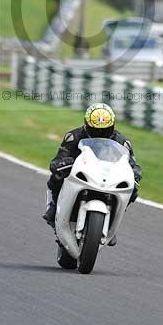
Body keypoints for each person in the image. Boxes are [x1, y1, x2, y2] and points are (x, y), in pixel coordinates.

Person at [43, 103, 142, 245]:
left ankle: (112, 222)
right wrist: (61, 163)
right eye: (95, 130)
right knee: (56, 177)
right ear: (87, 125)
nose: (100, 133)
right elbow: (60, 157)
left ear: (112, 125)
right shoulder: (73, 136)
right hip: (81, 173)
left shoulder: (122, 141)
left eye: (105, 130)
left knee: (133, 189)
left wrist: (135, 171)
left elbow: (131, 162)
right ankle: (53, 207)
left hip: (108, 175)